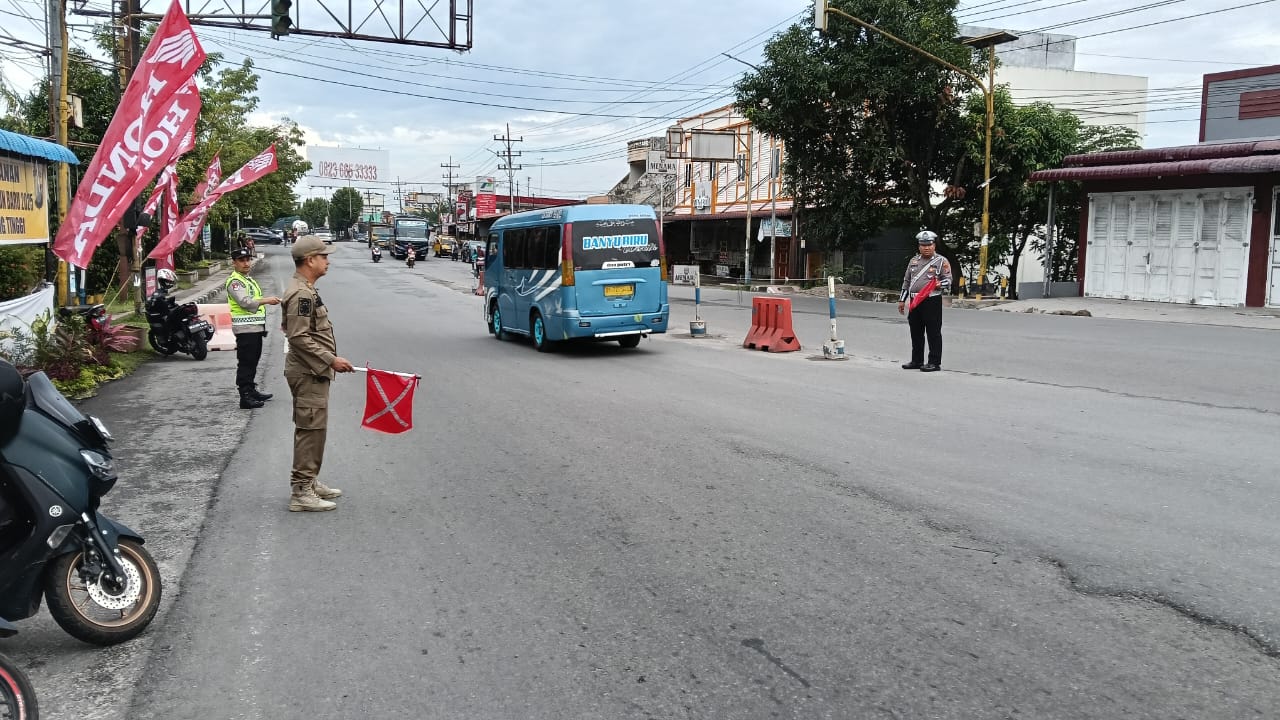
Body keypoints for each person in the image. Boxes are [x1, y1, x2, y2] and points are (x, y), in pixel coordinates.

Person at [281, 236, 355, 512]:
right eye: (324, 256)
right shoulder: (301, 294)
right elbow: (299, 337)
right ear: (310, 260)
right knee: (310, 429)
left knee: (315, 429)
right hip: (308, 371)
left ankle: (308, 481)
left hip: (311, 370)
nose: (328, 260)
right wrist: (330, 359)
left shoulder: (305, 290)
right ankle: (301, 490)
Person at [226, 248, 281, 409]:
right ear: (234, 263)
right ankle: (245, 396)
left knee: (253, 361)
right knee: (246, 363)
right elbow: (245, 302)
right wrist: (266, 300)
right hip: (245, 329)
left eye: (248, 260)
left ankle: (251, 390)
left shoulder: (247, 279)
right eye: (242, 260)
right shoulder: (235, 282)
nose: (246, 263)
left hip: (254, 328)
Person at [898, 229, 952, 372]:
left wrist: (939, 284)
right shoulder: (913, 261)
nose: (926, 247)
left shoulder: (941, 261)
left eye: (929, 245)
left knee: (933, 332)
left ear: (934, 245)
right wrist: (902, 300)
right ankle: (916, 360)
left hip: (931, 300)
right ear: (919, 246)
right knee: (915, 331)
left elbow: (948, 281)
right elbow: (907, 281)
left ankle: (934, 362)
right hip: (915, 300)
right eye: (923, 245)